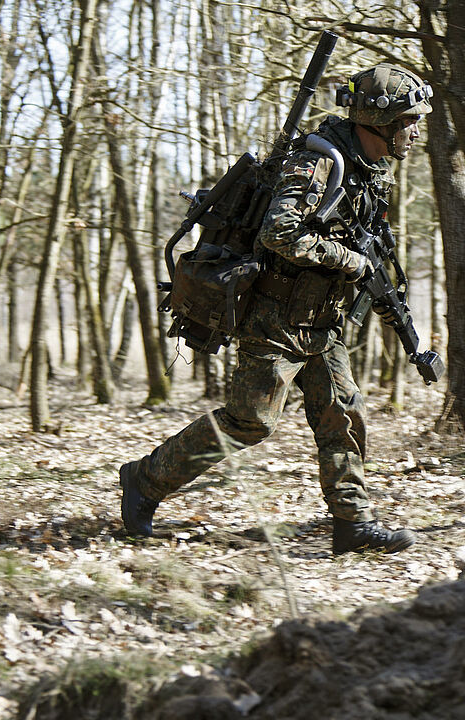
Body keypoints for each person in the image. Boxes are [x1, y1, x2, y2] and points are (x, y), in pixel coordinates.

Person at [120, 63, 434, 554]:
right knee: (252, 422)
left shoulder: (373, 171)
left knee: (342, 415)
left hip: (321, 321)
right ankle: (144, 479)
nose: (415, 132)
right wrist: (348, 260)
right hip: (274, 318)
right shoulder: (320, 163)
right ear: (380, 122)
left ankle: (352, 523)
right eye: (409, 121)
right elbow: (279, 232)